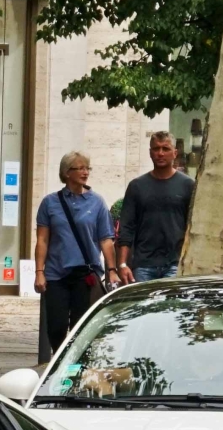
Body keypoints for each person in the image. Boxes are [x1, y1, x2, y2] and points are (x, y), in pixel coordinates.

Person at [34, 151, 115, 359]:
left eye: (87, 168)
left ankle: (77, 366)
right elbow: (42, 240)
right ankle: (59, 359)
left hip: (85, 275)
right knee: (56, 326)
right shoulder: (50, 203)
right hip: (56, 274)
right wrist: (39, 272)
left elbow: (106, 239)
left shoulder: (97, 202)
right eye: (79, 168)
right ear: (66, 172)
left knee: (81, 328)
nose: (85, 172)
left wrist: (112, 270)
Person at [115, 131, 193, 282]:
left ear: (175, 153)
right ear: (150, 153)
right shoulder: (137, 186)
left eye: (165, 149)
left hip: (175, 263)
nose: (160, 153)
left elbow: (193, 226)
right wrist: (122, 264)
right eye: (156, 149)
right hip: (144, 264)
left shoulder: (187, 185)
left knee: (173, 306)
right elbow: (126, 228)